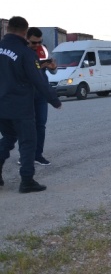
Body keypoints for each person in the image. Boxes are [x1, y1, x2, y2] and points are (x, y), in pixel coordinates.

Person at [0, 16, 62, 193]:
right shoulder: (26, 53)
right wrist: (54, 100)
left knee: (9, 137)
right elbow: (38, 80)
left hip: (1, 104)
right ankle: (27, 181)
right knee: (28, 141)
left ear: (7, 29)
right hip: (20, 106)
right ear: (25, 32)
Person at [25, 27, 58, 165]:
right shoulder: (22, 51)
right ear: (26, 39)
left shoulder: (42, 49)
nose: (37, 45)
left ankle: (38, 155)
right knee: (26, 126)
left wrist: (52, 67)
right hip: (26, 94)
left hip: (41, 93)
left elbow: (54, 72)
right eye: (34, 43)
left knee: (40, 124)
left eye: (39, 42)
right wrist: (40, 65)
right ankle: (26, 156)